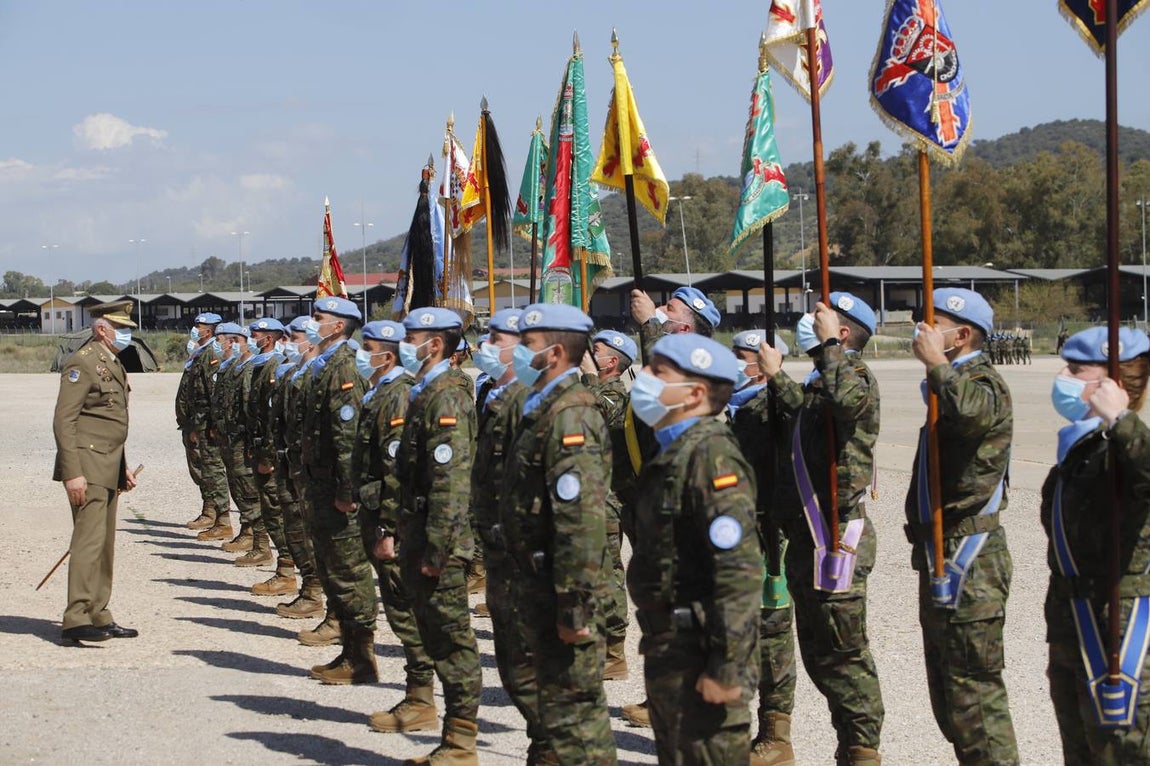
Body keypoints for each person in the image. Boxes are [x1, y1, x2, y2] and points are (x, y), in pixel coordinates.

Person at [757, 293, 885, 766]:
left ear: (842, 332)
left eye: (818, 318)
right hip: (809, 534)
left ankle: (862, 749)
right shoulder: (823, 381)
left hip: (835, 535)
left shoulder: (854, 376)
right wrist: (776, 379)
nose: (807, 323)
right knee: (820, 652)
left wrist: (827, 343)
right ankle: (849, 745)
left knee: (844, 653)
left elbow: (848, 404)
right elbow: (805, 424)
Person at [627, 333, 761, 764]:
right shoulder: (672, 450)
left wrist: (726, 667)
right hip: (670, 645)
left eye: (658, 372)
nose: (644, 378)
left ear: (696, 393)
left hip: (702, 649)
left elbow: (738, 573)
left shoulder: (711, 457)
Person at [907, 289, 1019, 765]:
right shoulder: (952, 380)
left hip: (971, 555)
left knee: (975, 693)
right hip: (941, 548)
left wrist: (937, 366)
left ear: (962, 334)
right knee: (951, 696)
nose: (923, 332)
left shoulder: (984, 383)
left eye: (934, 325)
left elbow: (971, 413)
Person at [502, 303, 616, 765]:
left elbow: (581, 522)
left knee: (578, 718)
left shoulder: (571, 416)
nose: (518, 352)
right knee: (556, 709)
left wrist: (575, 606)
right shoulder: (543, 407)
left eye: (528, 344)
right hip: (540, 583)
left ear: (553, 354)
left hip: (564, 589)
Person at [1041, 326, 1150, 764]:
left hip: (1117, 630)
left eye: (1076, 369)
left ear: (1112, 385)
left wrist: (1122, 421)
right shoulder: (1084, 446)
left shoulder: (1124, 446)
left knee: (1123, 753)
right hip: (1073, 620)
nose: (1063, 376)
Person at [395, 306, 482, 765]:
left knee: (452, 642)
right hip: (423, 534)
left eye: (412, 337)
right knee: (435, 635)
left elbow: (450, 484)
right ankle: (449, 735)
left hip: (441, 543)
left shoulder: (447, 397)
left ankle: (462, 743)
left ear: (435, 345)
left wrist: (438, 549)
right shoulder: (426, 391)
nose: (404, 344)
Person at [469, 308, 556, 758]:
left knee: (528, 656)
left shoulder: (528, 400)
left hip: (521, 545)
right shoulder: (494, 392)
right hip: (497, 539)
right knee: (510, 652)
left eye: (496, 336)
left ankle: (552, 745)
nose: (487, 343)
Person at [351, 320, 438, 735]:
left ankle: (421, 698)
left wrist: (388, 529)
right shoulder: (379, 391)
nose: (360, 354)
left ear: (385, 354)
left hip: (391, 523)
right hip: (377, 515)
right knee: (398, 606)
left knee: (405, 611)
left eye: (366, 347)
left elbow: (393, 469)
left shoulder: (397, 395)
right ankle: (417, 694)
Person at [727, 329, 798, 766]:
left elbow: (805, 420)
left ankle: (776, 735)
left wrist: (778, 383)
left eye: (743, 357)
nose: (736, 363)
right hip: (728, 530)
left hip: (767, 530)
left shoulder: (781, 403)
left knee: (771, 635)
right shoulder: (728, 402)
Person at [300, 297, 379, 685]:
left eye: (320, 318)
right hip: (321, 483)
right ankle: (348, 649)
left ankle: (362, 657)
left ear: (339, 326)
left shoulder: (345, 366)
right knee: (332, 566)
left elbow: (347, 436)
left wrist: (347, 490)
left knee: (349, 570)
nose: (313, 323)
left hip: (337, 488)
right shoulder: (326, 363)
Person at [53, 300, 140, 644]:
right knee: (88, 543)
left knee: (104, 544)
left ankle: (98, 613)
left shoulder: (111, 361)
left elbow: (109, 421)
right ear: (102, 329)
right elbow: (65, 420)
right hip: (87, 467)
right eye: (122, 328)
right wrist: (72, 473)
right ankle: (76, 617)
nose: (127, 334)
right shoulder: (83, 363)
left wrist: (123, 466)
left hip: (107, 463)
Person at [586, 328, 639, 682]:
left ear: (612, 362)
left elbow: (592, 412)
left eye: (597, 350)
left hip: (610, 497)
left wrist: (589, 376)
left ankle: (614, 651)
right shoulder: (591, 389)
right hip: (592, 495)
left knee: (608, 571)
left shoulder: (614, 395)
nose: (591, 353)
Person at [269, 317, 326, 621]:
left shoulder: (321, 374)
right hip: (289, 463)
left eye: (295, 335)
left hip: (310, 469)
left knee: (311, 531)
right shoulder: (293, 371)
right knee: (292, 525)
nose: (288, 340)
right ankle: (307, 587)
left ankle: (315, 592)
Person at [176, 312, 230, 531]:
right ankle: (209, 510)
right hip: (192, 423)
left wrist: (205, 425)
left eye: (200, 325)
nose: (196, 328)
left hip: (202, 424)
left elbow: (210, 394)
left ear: (210, 330)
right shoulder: (197, 353)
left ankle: (217, 514)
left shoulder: (210, 355)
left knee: (210, 470)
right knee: (200, 469)